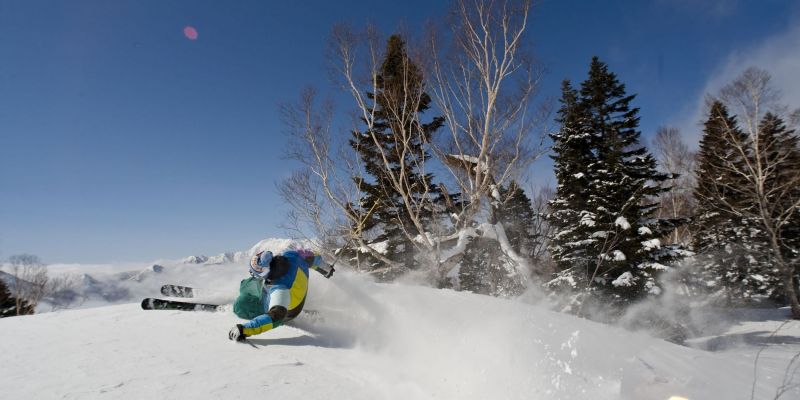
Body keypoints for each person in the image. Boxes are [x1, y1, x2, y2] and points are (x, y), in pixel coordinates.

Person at [228, 248, 333, 342]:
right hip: (294, 295)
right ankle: (247, 290)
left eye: (258, 273)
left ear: (265, 271)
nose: (256, 275)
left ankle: (240, 304)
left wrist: (245, 329)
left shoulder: (280, 290)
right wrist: (326, 269)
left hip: (290, 310)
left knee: (240, 305)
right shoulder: (292, 255)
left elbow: (276, 316)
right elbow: (313, 259)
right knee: (248, 284)